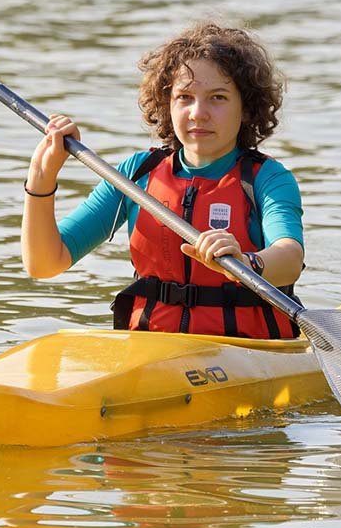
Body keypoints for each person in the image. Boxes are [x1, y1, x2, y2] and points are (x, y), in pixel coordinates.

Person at [21, 22, 304, 339]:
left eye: (218, 97)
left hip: (247, 352)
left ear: (246, 108)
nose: (198, 113)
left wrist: (247, 263)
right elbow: (45, 264)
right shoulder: (135, 174)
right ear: (167, 104)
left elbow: (290, 257)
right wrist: (41, 179)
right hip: (153, 348)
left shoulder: (267, 179)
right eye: (184, 97)